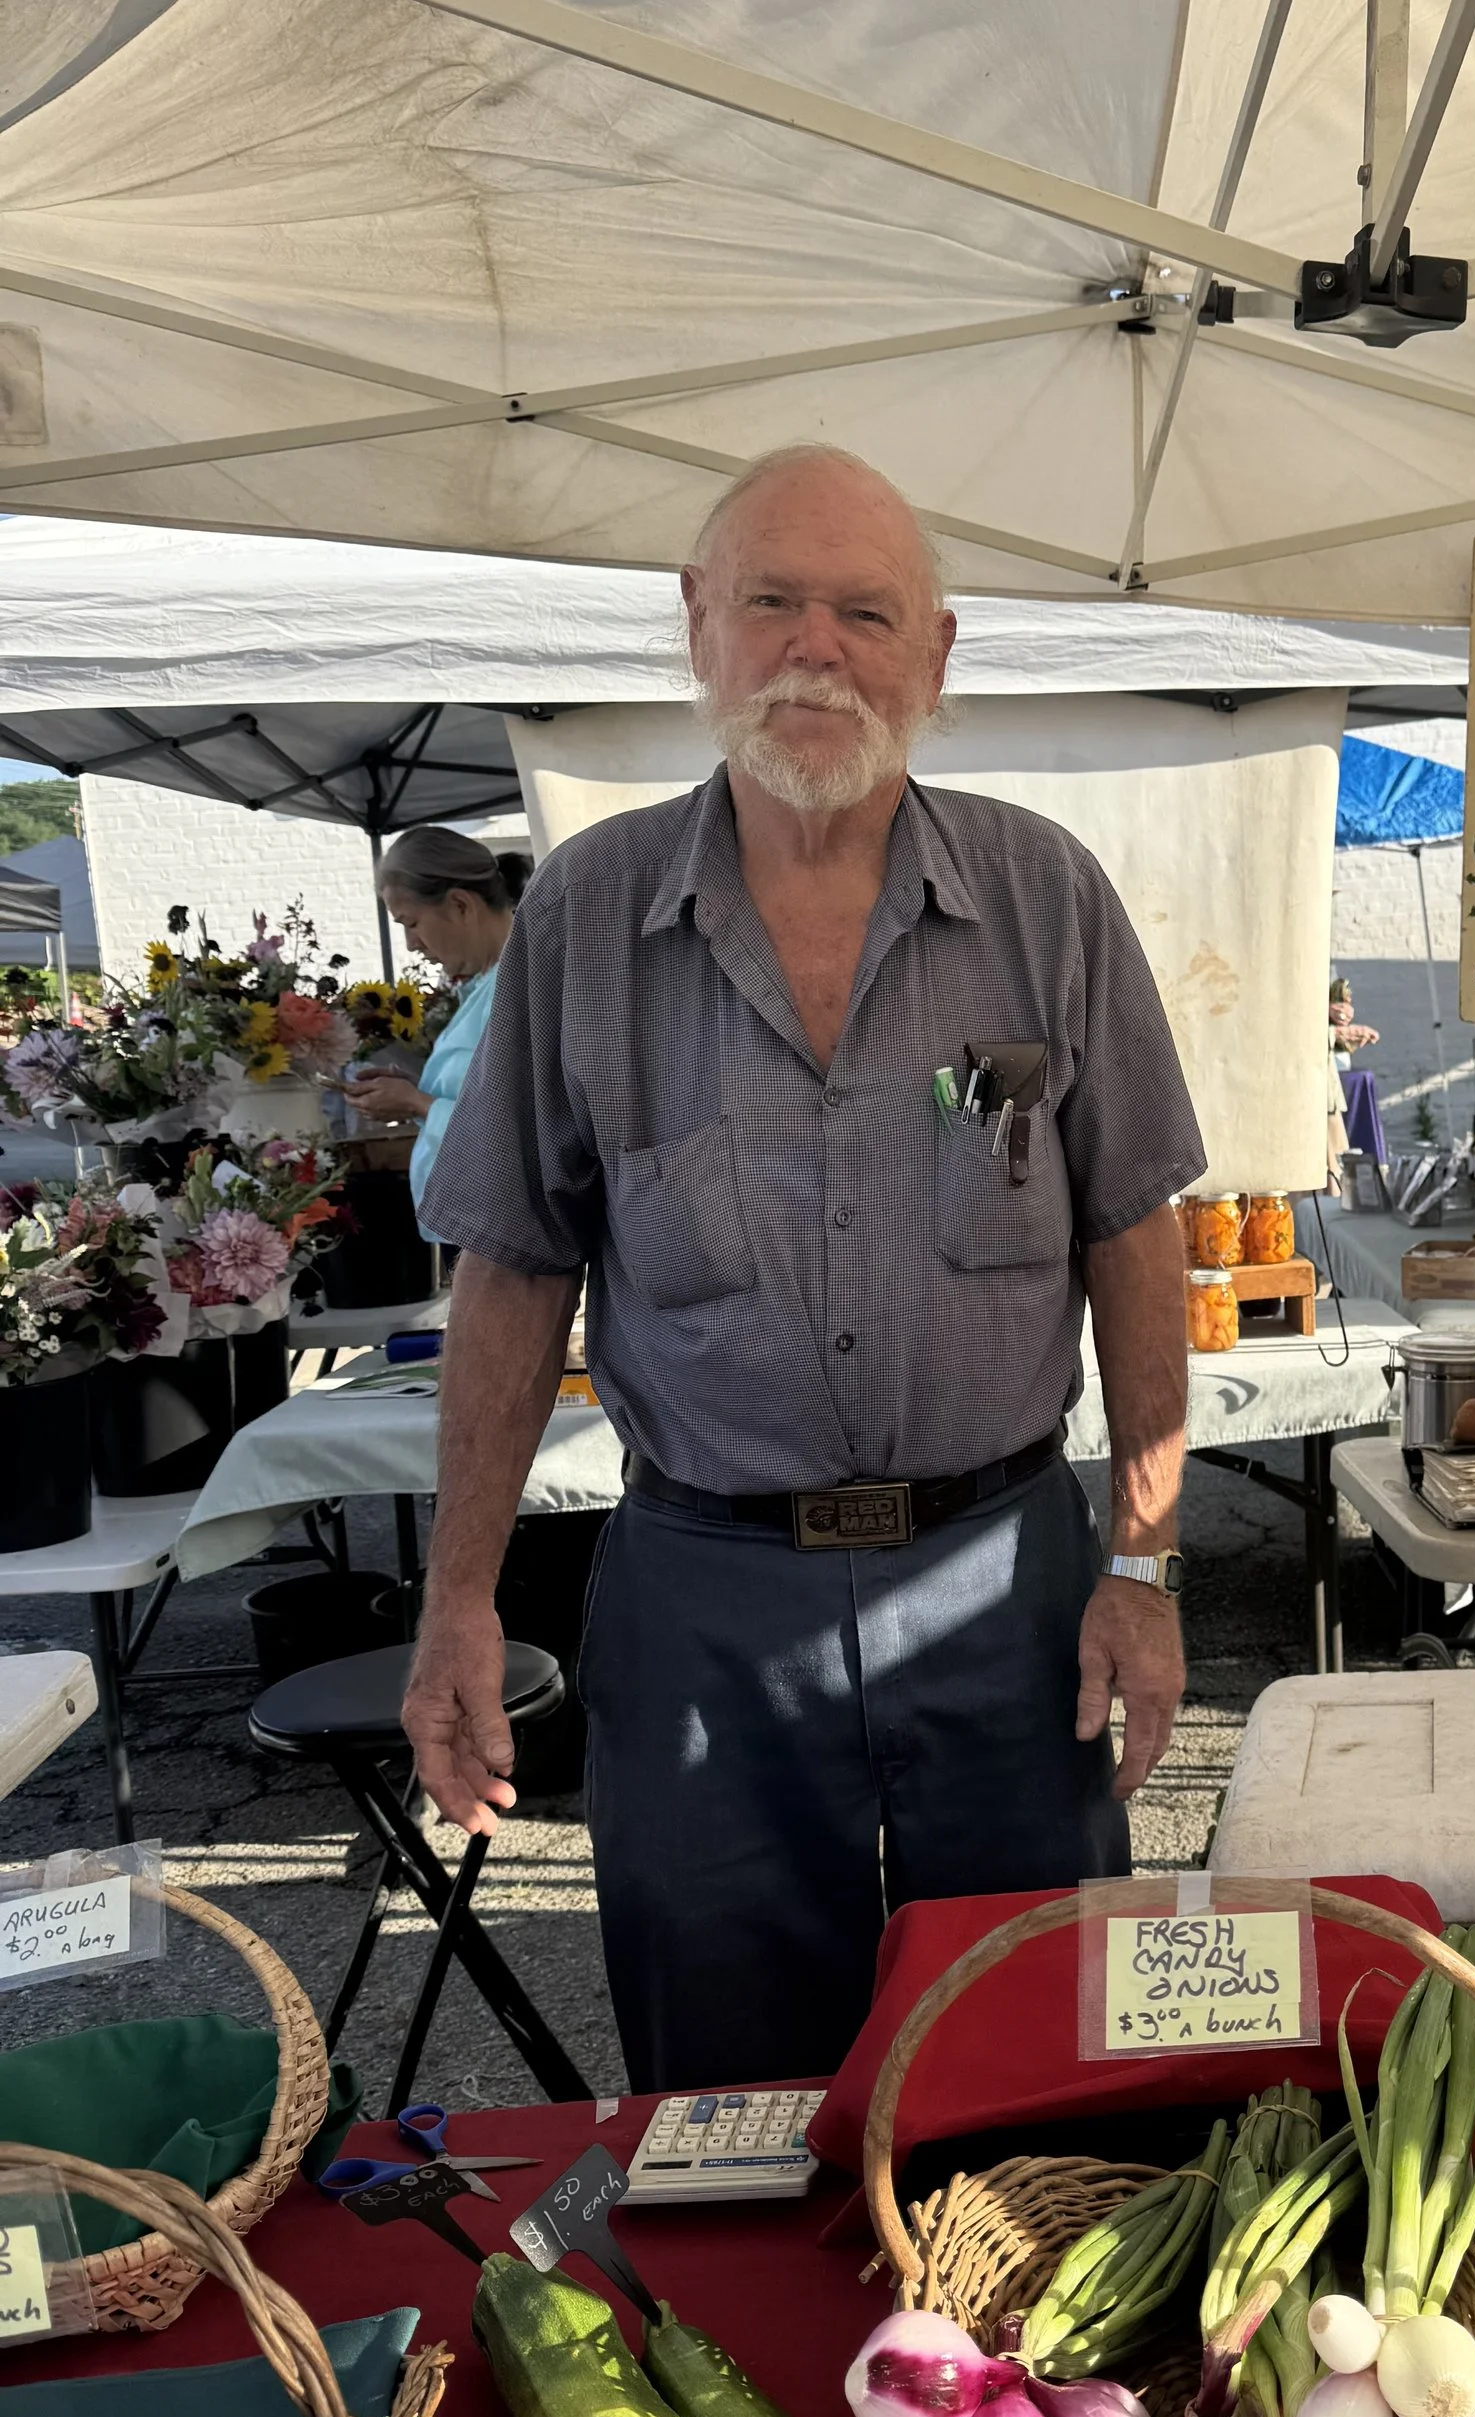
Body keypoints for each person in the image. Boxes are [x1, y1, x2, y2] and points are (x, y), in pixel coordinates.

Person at [407, 443, 1203, 2086]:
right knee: (728, 2083)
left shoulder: (1043, 896)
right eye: (772, 601)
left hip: (1008, 1584)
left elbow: (1135, 1232)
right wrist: (459, 1594)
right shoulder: (585, 919)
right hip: (706, 1594)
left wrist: (1144, 1567)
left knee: (1035, 2060)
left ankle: (1010, 2357)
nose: (815, 649)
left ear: (938, 654)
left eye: (865, 611)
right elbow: (510, 1265)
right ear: (699, 625)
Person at [339, 829, 529, 1212]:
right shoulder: (489, 987)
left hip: (499, 1232)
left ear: (460, 905)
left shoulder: (518, 990)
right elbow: (480, 1097)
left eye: (411, 922)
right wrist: (419, 1090)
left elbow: (517, 1132)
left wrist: (417, 1102)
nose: (411, 944)